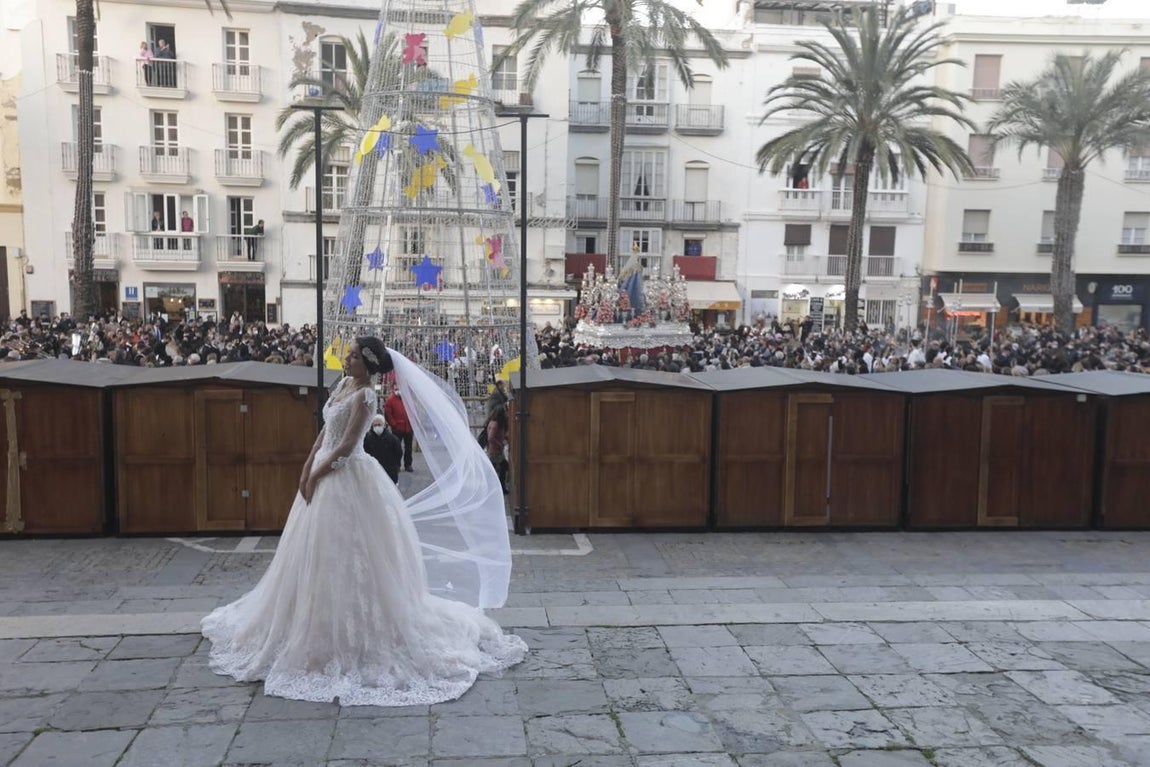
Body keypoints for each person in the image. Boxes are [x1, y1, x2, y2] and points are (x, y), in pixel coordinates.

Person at [201, 337, 526, 705]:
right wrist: (306, 467)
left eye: (354, 356)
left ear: (368, 364)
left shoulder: (367, 396)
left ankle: (354, 629)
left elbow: (345, 446)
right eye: (349, 354)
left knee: (354, 553)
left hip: (347, 477)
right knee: (310, 554)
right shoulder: (342, 385)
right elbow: (324, 434)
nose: (347, 358)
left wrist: (317, 473)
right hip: (322, 474)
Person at [363, 412, 402, 483]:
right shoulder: (368, 439)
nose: (377, 427)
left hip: (390, 469)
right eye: (375, 425)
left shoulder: (393, 439)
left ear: (384, 425)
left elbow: (398, 453)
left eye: (379, 425)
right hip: (373, 469)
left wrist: (397, 466)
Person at [385, 387, 414, 472]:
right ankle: (396, 464)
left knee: (408, 447)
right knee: (396, 448)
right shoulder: (391, 399)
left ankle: (408, 464)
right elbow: (388, 413)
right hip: (397, 428)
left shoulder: (408, 398)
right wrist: (394, 425)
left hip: (408, 427)